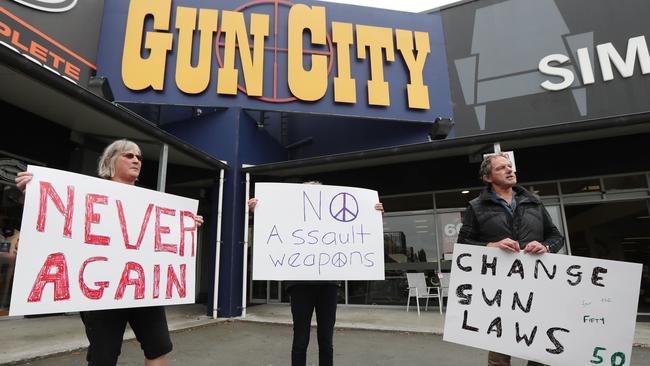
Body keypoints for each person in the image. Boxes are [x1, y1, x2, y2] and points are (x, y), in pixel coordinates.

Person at [16, 139, 203, 366]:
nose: (136, 160)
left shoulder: (152, 203)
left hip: (142, 288)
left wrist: (184, 223)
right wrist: (34, 193)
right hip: (101, 290)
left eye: (139, 157)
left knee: (158, 347)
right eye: (129, 155)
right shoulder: (86, 194)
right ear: (111, 161)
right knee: (103, 356)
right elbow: (60, 223)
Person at [248, 182, 384, 366]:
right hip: (300, 286)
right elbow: (276, 224)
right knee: (300, 339)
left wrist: (371, 214)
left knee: (326, 340)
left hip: (328, 286)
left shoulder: (331, 217)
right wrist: (259, 211)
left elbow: (356, 227)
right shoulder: (293, 215)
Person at [456, 152, 564, 366]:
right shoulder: (476, 206)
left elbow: (556, 236)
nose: (509, 170)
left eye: (510, 166)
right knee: (500, 351)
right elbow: (463, 244)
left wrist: (545, 246)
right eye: (501, 168)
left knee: (541, 345)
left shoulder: (533, 202)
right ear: (487, 177)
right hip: (500, 291)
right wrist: (490, 246)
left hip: (536, 284)